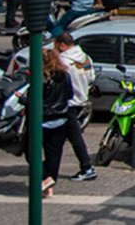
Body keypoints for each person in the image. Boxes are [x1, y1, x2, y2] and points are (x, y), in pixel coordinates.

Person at [55, 33, 97, 181]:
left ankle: (87, 167)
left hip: (68, 104)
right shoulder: (86, 58)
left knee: (72, 137)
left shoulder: (62, 61)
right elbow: (91, 78)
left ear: (61, 45)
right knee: (64, 137)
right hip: (81, 102)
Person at [39, 47, 75, 198]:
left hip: (42, 120)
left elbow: (35, 99)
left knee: (31, 152)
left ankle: (46, 177)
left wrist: (22, 99)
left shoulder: (41, 77)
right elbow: (70, 94)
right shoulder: (65, 76)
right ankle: (49, 186)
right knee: (54, 155)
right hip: (61, 119)